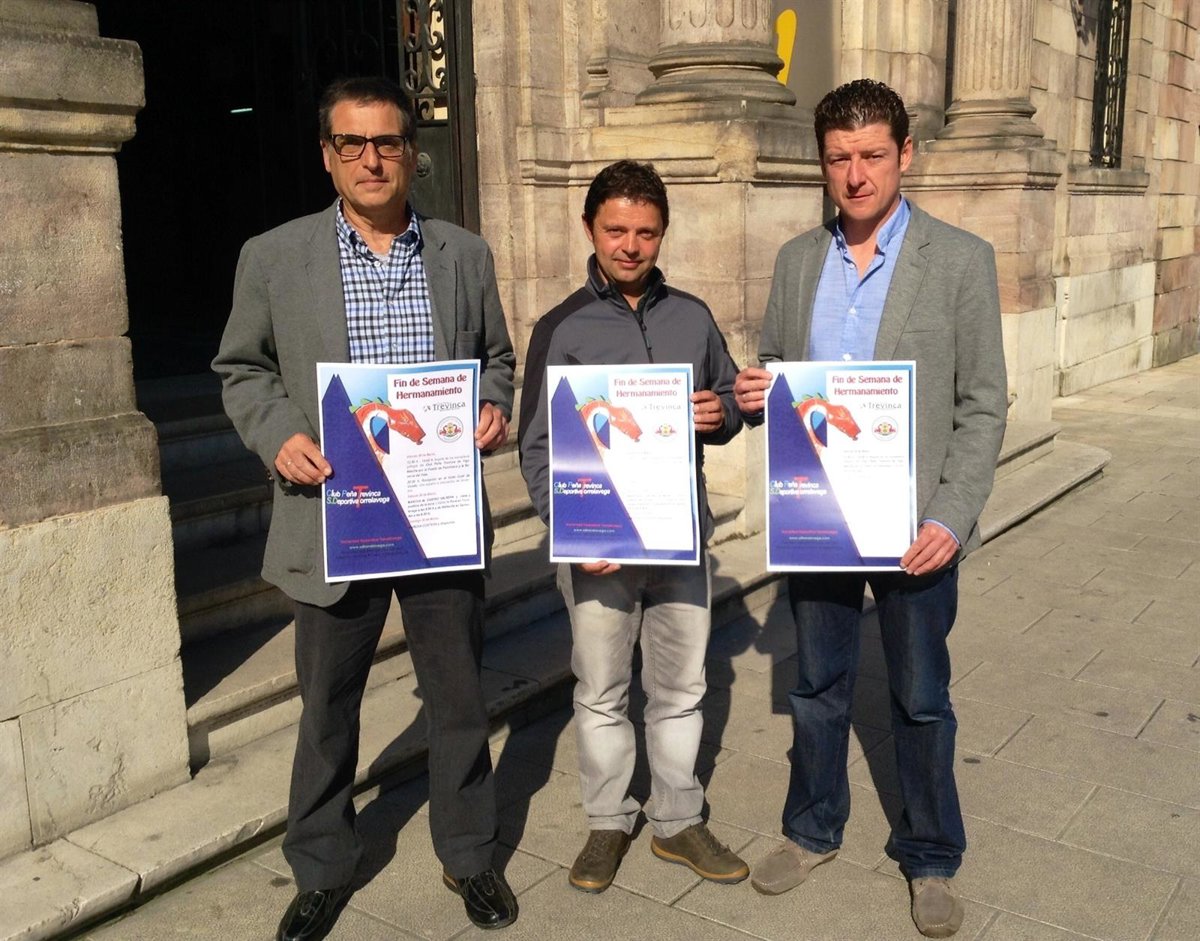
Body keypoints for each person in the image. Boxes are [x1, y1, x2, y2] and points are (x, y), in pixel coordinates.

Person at [213, 76, 518, 939]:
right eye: (352, 143)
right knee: (326, 707)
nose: (371, 159)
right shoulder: (274, 256)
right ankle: (321, 864)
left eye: (387, 141)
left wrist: (492, 405)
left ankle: (469, 852)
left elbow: (497, 358)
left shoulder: (463, 254)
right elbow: (241, 368)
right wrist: (277, 434)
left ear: (411, 152)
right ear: (328, 155)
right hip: (333, 516)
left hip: (436, 518)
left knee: (458, 698)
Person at [733, 79, 1007, 938]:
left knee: (921, 695)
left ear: (905, 155)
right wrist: (755, 393)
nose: (856, 174)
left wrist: (951, 518)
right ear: (822, 163)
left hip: (915, 528)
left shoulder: (960, 260)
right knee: (817, 685)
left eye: (872, 155)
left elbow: (983, 404)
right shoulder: (796, 261)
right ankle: (812, 827)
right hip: (819, 520)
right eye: (839, 158)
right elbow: (777, 368)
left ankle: (930, 852)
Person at [518, 160, 748, 894]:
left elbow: (730, 398)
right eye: (616, 229)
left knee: (681, 686)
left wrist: (722, 412)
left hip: (678, 538)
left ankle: (678, 819)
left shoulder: (693, 317)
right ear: (589, 228)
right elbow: (535, 447)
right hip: (600, 547)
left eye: (645, 232)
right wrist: (573, 529)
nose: (630, 245)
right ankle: (608, 820)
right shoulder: (560, 328)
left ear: (663, 233)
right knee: (602, 690)